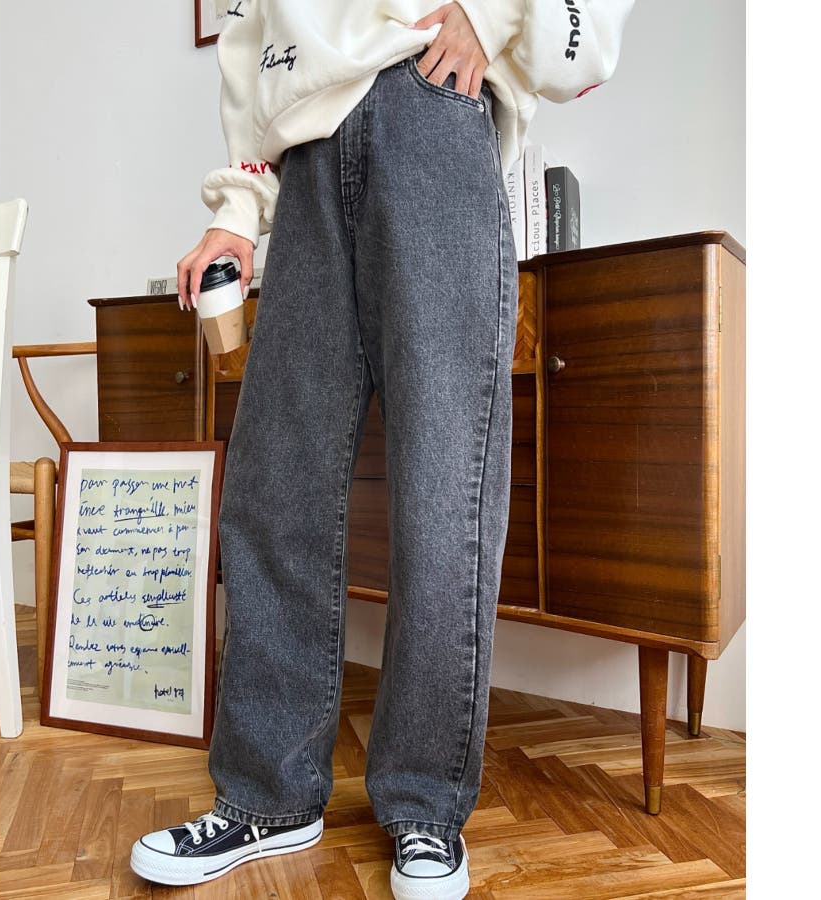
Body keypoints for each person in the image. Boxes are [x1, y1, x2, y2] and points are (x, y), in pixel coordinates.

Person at [130, 2, 634, 896]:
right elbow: (252, 36)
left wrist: (488, 14)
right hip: (308, 158)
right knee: (274, 493)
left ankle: (425, 805)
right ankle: (270, 796)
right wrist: (238, 211)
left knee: (445, 496)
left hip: (435, 117)